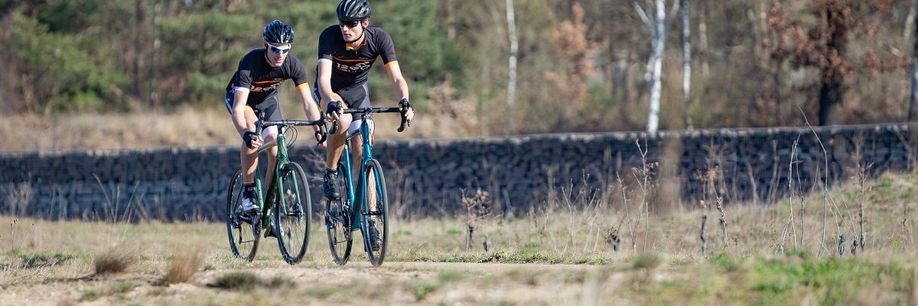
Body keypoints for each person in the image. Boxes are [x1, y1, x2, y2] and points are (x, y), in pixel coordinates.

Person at [316, 0, 414, 250]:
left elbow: (397, 78)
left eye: (351, 24)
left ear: (365, 23)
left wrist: (404, 101)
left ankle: (371, 221)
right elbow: (324, 81)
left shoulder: (379, 38)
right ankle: (330, 171)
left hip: (359, 93)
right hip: (332, 93)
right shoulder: (329, 37)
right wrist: (330, 102)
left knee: (365, 146)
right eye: (342, 23)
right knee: (344, 119)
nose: (345, 29)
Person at [225, 20, 323, 217]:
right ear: (265, 45)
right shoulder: (250, 63)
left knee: (275, 148)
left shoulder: (292, 64)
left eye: (285, 50)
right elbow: (238, 108)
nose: (280, 55)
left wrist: (318, 127)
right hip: (243, 101)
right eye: (275, 50)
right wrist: (245, 134)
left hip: (268, 102)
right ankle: (248, 192)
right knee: (254, 137)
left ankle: (269, 203)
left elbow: (308, 102)